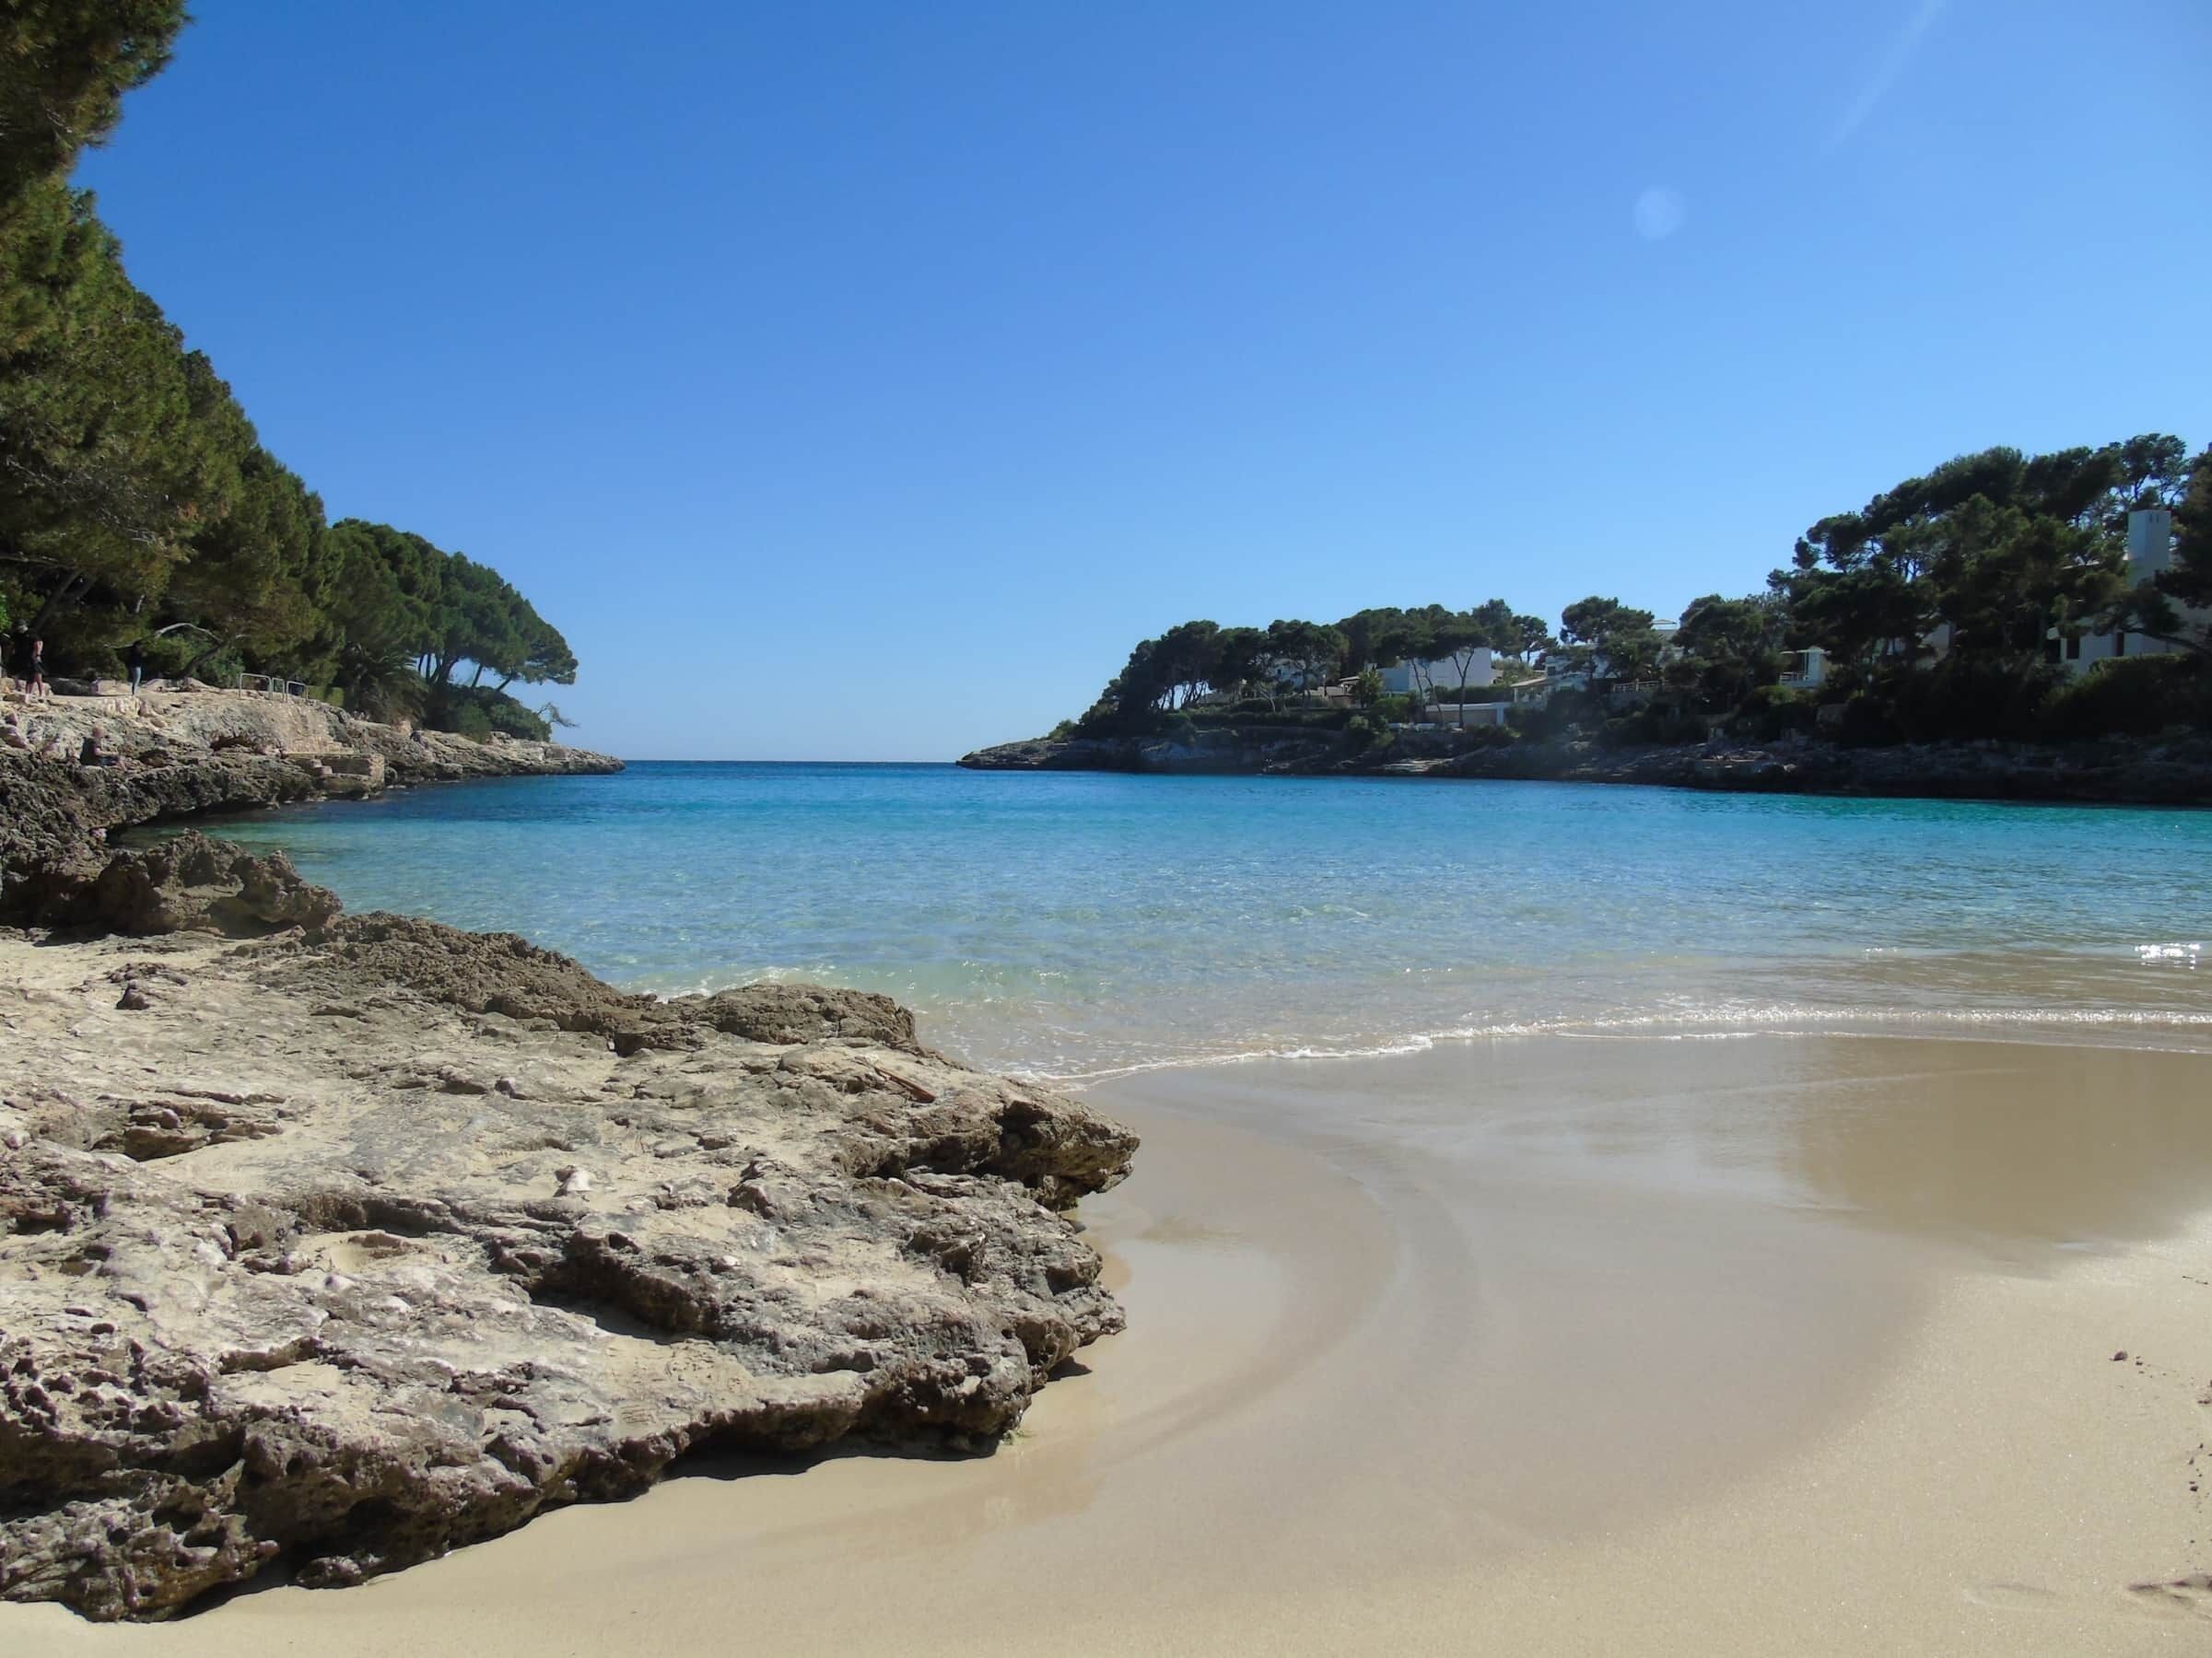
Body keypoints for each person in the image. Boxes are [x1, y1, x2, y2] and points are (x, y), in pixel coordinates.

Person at [27, 636, 47, 702]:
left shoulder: (36, 639)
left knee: (38, 677)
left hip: (35, 659)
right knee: (30, 678)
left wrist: (38, 654)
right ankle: (29, 694)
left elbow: (39, 644)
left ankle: (41, 694)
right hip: (30, 659)